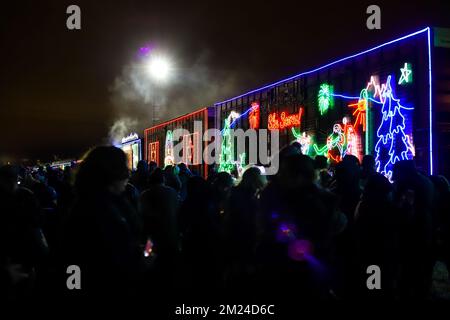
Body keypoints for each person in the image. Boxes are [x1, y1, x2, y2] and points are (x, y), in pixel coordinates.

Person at [58, 146, 146, 299]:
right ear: (110, 173)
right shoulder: (96, 211)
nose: (128, 174)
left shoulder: (94, 204)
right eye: (124, 168)